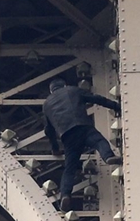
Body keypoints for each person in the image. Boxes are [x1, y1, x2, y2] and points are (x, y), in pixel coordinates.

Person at [44, 78, 122, 212]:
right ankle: (108, 156)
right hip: (83, 126)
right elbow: (96, 99)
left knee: (70, 168)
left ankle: (65, 195)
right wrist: (116, 106)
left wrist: (55, 148)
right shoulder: (72, 90)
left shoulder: (46, 104)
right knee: (99, 141)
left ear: (51, 91)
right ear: (64, 85)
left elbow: (48, 130)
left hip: (67, 136)